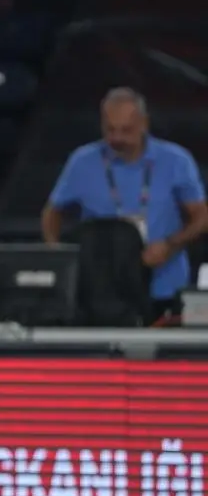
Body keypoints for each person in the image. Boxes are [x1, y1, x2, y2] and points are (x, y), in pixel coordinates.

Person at [42, 87, 207, 322]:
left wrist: (170, 245)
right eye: (110, 129)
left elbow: (201, 217)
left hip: (164, 287)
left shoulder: (176, 160)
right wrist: (56, 254)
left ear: (144, 124)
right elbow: (52, 212)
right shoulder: (82, 161)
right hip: (101, 293)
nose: (117, 138)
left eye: (126, 130)